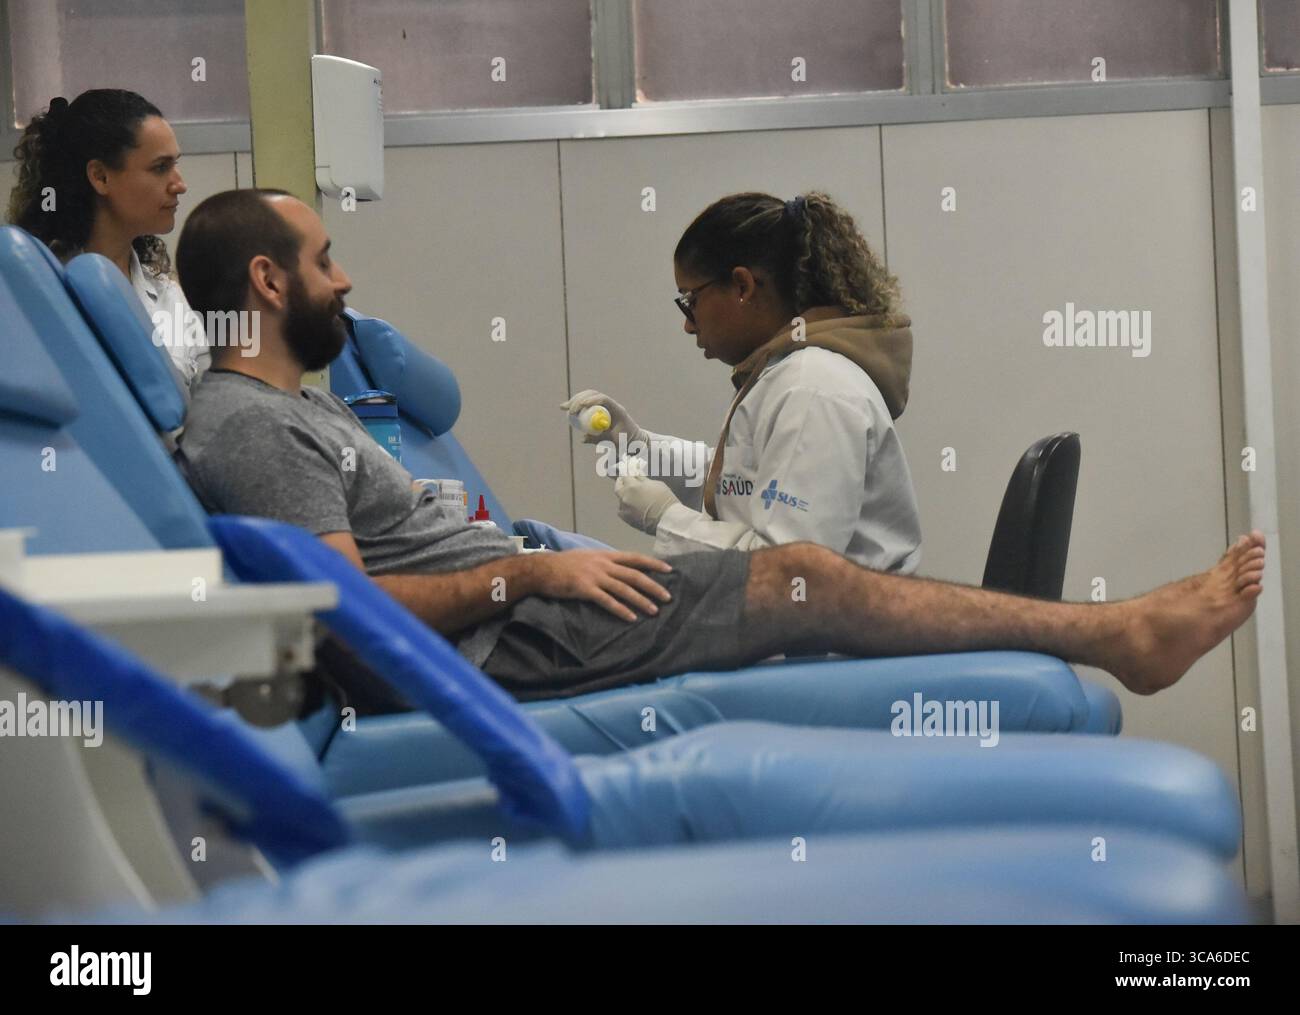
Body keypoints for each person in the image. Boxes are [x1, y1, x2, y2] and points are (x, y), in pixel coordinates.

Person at [175, 188, 1265, 705]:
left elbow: (762, 526)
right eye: (326, 260)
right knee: (800, 577)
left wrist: (597, 513)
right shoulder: (255, 423)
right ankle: (1121, 633)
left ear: (747, 289)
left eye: (693, 298)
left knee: (804, 576)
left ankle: (1120, 634)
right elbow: (340, 609)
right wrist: (533, 567)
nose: (347, 280)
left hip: (519, 622)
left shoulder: (297, 411)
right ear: (268, 284)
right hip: (498, 649)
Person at [564, 190, 921, 572]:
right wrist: (640, 448)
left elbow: (789, 571)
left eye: (690, 300)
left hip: (835, 629)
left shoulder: (813, 389)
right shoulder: (787, 374)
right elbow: (744, 484)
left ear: (742, 286)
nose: (687, 324)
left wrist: (667, 519)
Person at [6, 88, 207, 391]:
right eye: (160, 168)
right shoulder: (33, 294)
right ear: (100, 177)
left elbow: (208, 403)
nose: (180, 185)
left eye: (174, 165)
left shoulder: (167, 296)